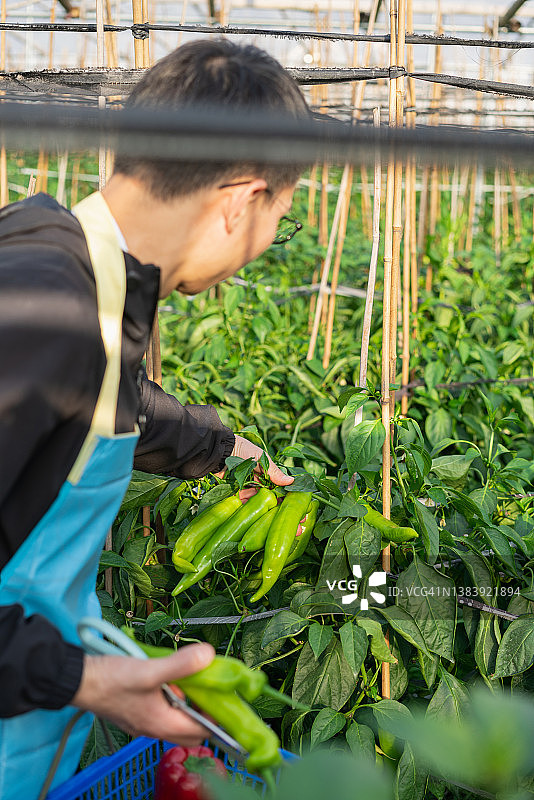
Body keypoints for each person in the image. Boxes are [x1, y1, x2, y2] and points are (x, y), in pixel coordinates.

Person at [0, 39, 309, 799]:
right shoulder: (50, 311)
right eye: (280, 217)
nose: (265, 246)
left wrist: (222, 444)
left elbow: (105, 396)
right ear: (240, 201)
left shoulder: (63, 263)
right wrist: (85, 678)